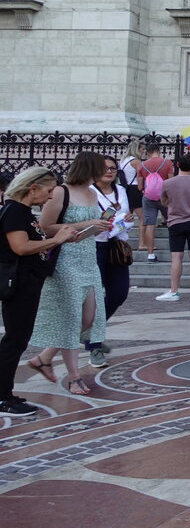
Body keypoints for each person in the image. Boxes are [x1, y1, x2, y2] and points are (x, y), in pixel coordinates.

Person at [29, 152, 114, 395]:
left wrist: (101, 225)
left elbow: (87, 228)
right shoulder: (60, 191)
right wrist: (82, 226)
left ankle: (44, 358)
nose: (107, 171)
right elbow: (46, 226)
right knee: (71, 316)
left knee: (88, 318)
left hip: (88, 257)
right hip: (65, 259)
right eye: (102, 167)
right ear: (89, 168)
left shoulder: (92, 192)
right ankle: (74, 377)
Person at [0, 168, 79, 416]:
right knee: (14, 340)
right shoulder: (14, 210)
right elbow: (21, 247)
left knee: (18, 339)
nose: (49, 198)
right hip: (19, 284)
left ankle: (5, 393)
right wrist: (56, 240)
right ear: (32, 187)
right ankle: (3, 397)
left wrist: (62, 239)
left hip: (30, 283)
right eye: (48, 191)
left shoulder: (23, 212)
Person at [87, 156, 131, 367]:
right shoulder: (88, 192)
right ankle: (94, 344)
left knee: (119, 293)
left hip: (117, 246)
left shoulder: (120, 191)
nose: (109, 171)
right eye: (105, 168)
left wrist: (125, 223)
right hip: (95, 246)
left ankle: (89, 331)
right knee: (94, 297)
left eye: (113, 168)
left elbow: (125, 216)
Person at [156, 153, 190, 303]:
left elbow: (163, 201)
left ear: (178, 165)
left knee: (176, 257)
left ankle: (174, 290)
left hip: (175, 221)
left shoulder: (168, 183)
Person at [138, 142, 173, 262]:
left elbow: (139, 186)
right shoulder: (167, 163)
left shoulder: (142, 165)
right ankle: (175, 249)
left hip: (148, 198)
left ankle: (150, 254)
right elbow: (170, 181)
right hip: (164, 197)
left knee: (150, 225)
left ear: (147, 153)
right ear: (159, 150)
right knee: (172, 221)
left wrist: (145, 190)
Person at [117, 137, 145, 228]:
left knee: (126, 216)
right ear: (137, 149)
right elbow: (140, 175)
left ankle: (121, 236)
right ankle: (141, 241)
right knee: (142, 217)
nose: (143, 151)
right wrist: (142, 189)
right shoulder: (136, 161)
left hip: (126, 188)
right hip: (135, 188)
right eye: (142, 149)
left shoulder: (123, 160)